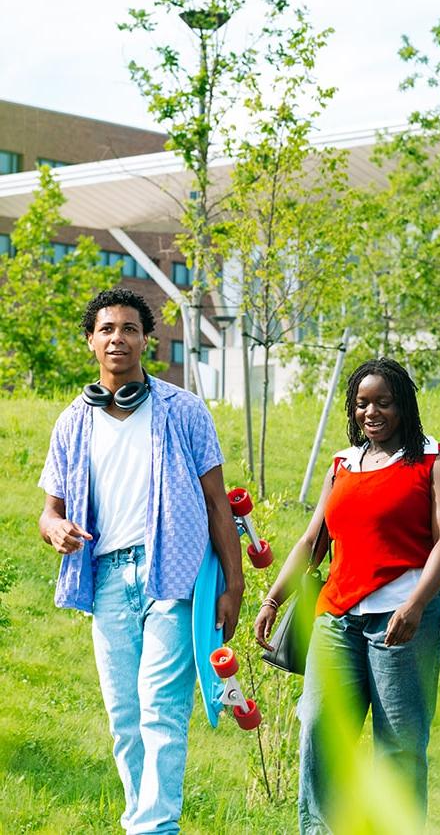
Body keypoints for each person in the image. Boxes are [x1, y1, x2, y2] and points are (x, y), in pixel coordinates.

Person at [38, 288, 244, 834]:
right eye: (107, 329)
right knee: (125, 720)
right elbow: (49, 510)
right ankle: (141, 821)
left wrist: (234, 584)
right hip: (105, 578)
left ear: (146, 341)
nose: (118, 338)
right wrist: (56, 528)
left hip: (170, 576)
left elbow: (217, 503)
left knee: (160, 711)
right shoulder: (72, 423)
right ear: (91, 341)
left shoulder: (183, 410)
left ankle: (154, 829)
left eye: (129, 329)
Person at [254, 358, 440, 833]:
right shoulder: (342, 465)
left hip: (405, 620)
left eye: (383, 403)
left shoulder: (435, 462)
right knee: (321, 731)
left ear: (404, 406)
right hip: (338, 618)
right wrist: (273, 599)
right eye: (362, 403)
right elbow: (313, 542)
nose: (372, 412)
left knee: (399, 743)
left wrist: (416, 605)